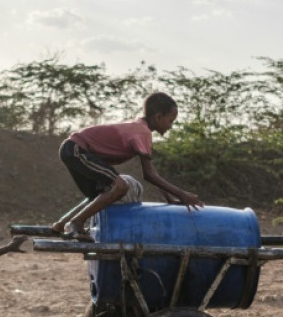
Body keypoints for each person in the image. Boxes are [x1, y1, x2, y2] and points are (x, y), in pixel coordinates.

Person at [51, 91, 203, 241]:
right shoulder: (142, 132)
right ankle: (75, 223)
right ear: (158, 117)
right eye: (170, 121)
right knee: (120, 186)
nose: (170, 127)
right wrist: (182, 194)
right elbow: (149, 175)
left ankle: (61, 224)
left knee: (99, 195)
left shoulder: (139, 128)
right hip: (78, 149)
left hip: (73, 149)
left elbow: (152, 173)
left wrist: (169, 198)